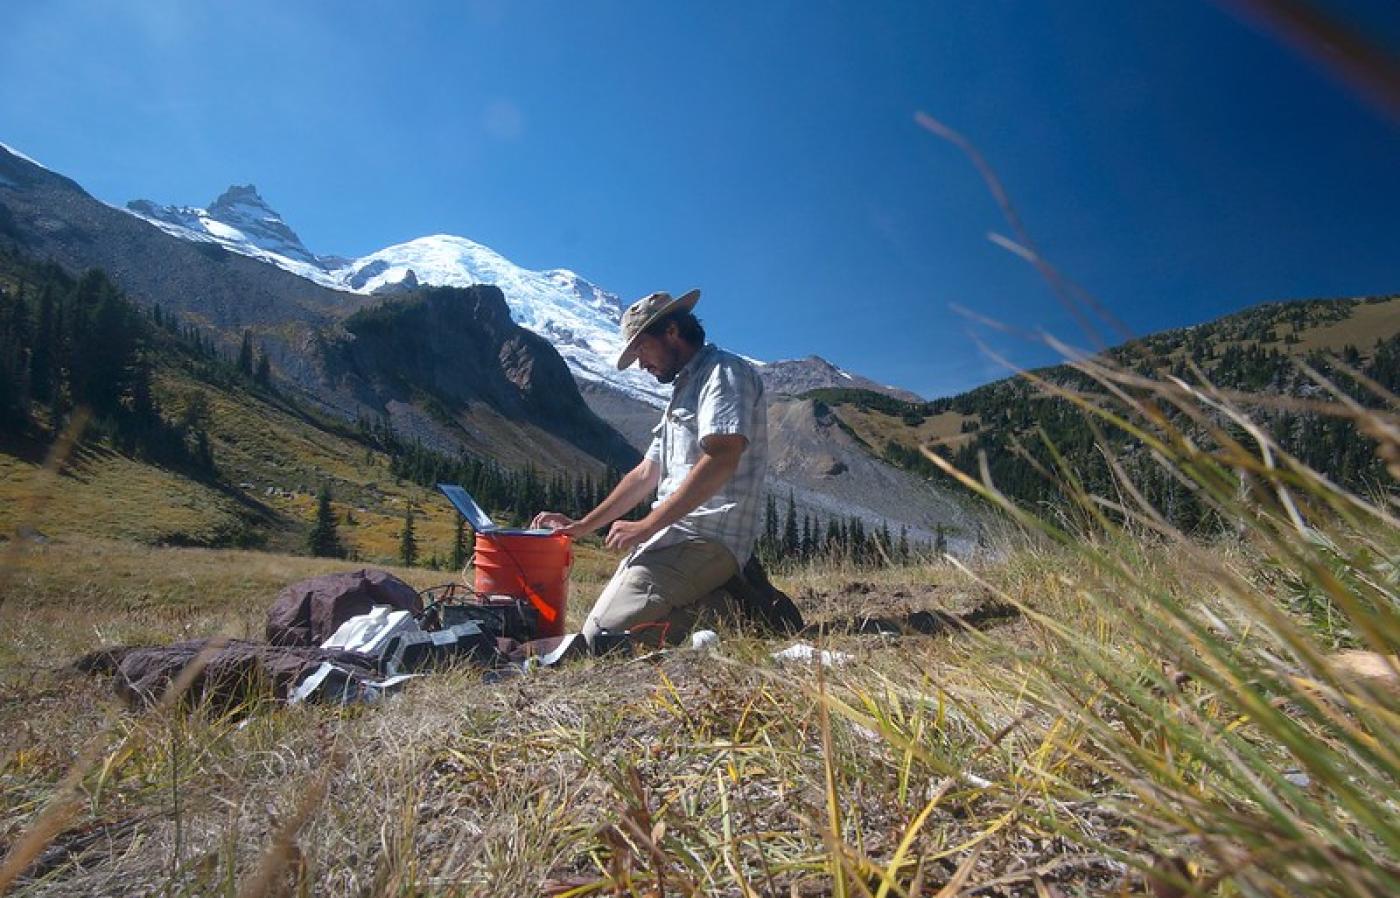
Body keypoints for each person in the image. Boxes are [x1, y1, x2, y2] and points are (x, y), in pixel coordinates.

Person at [531, 289, 767, 647]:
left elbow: (723, 456)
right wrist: (581, 527)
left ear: (671, 331)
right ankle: (724, 598)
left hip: (707, 537)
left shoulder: (723, 372)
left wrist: (647, 524)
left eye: (641, 348)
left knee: (603, 639)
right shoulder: (681, 391)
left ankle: (735, 608)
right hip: (673, 536)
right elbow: (645, 473)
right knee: (600, 633)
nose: (641, 364)